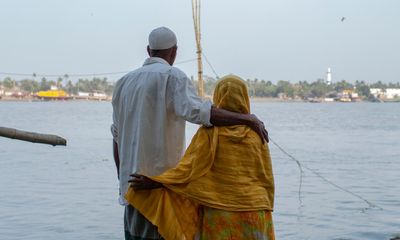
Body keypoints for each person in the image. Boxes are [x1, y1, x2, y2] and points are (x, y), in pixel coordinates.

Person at [111, 27, 269, 240]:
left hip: (131, 191)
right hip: (160, 195)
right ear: (174, 52)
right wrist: (247, 119)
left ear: (149, 50)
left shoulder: (123, 83)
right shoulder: (172, 77)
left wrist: (124, 178)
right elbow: (202, 113)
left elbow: (117, 138)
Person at [126, 75, 275, 240]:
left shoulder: (209, 133)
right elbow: (265, 176)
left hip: (220, 214)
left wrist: (157, 181)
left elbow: (189, 170)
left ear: (218, 96)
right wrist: (266, 203)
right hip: (257, 212)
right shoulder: (258, 134)